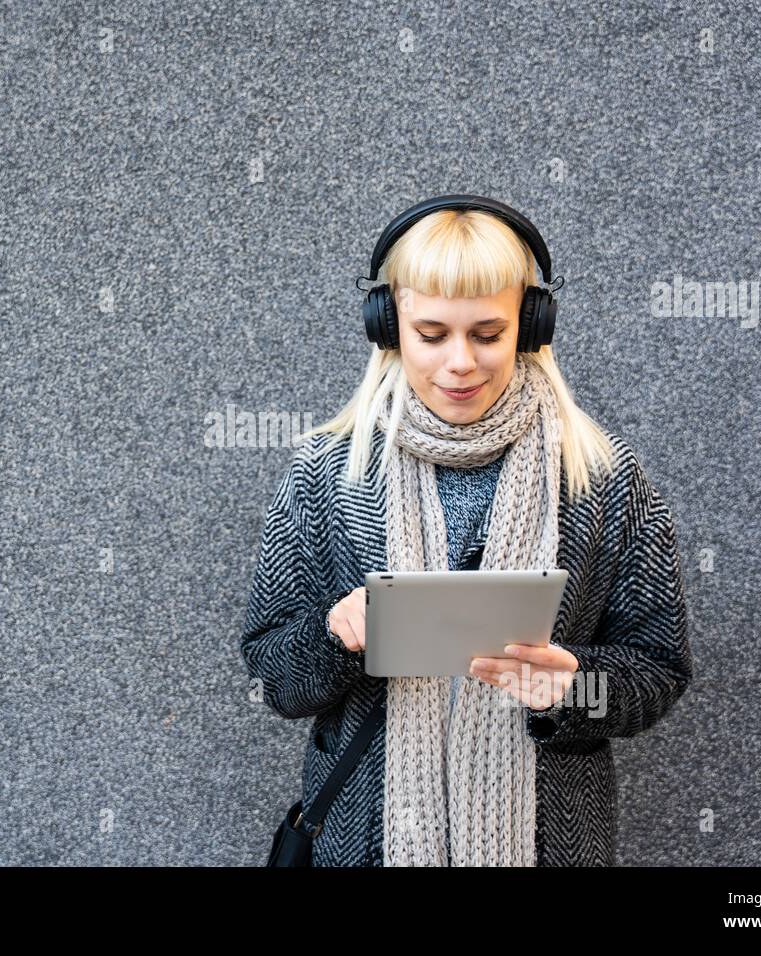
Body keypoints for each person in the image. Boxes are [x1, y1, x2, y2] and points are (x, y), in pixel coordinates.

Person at [240, 196, 694, 866]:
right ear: (388, 326)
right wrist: (336, 634)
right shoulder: (326, 474)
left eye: (487, 334)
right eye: (432, 334)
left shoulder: (602, 477)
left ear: (531, 326)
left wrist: (576, 686)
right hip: (367, 848)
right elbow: (277, 679)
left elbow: (657, 673)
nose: (460, 363)